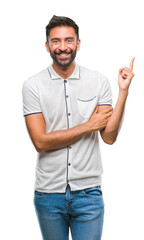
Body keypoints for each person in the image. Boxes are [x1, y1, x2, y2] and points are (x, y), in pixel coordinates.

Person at [22, 15, 135, 240]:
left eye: (68, 40)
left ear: (78, 43)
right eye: (56, 41)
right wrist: (88, 126)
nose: (63, 47)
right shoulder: (32, 86)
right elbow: (40, 142)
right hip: (48, 194)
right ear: (47, 46)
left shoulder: (98, 81)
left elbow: (109, 137)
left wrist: (123, 91)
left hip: (88, 194)